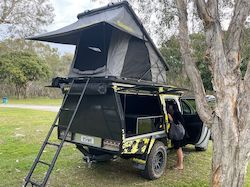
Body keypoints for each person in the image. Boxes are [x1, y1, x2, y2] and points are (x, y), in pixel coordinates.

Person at [167, 101, 185, 170]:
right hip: (180, 133)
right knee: (179, 148)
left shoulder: (176, 113)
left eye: (170, 106)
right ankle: (178, 164)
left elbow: (174, 121)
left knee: (178, 149)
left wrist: (169, 116)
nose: (169, 107)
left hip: (177, 133)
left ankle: (180, 165)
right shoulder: (178, 112)